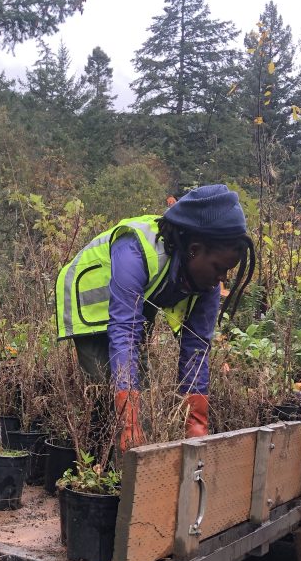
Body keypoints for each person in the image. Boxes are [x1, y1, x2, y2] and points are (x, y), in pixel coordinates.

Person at [55, 184, 255, 452]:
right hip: (91, 302)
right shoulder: (135, 248)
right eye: (219, 268)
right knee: (107, 392)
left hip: (135, 303)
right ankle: (102, 467)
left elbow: (197, 348)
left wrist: (196, 423)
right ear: (194, 250)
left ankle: (129, 463)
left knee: (143, 401)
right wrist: (129, 422)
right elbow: (124, 331)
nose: (222, 279)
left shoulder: (207, 283)